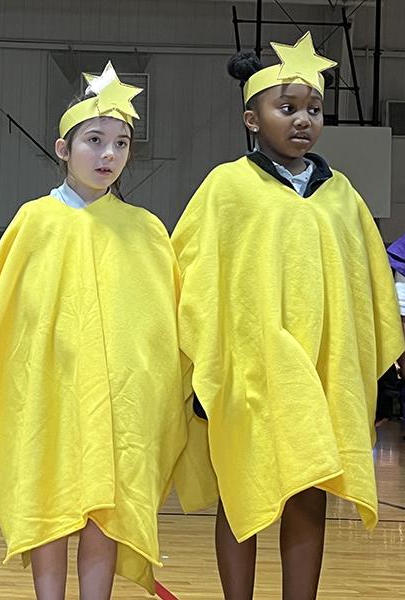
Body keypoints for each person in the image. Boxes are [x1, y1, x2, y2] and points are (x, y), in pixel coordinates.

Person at [172, 32, 404, 599]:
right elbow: (190, 280)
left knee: (308, 491)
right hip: (248, 374)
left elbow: (368, 290)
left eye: (314, 109)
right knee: (242, 491)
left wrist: (370, 376)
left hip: (320, 379)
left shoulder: (342, 195)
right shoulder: (227, 188)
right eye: (287, 108)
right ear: (252, 119)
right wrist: (204, 369)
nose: (304, 120)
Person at [0, 63, 187, 600]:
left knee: (103, 510)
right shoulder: (33, 221)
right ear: (63, 148)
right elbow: (5, 321)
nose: (108, 155)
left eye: (121, 143)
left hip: (116, 405)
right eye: (95, 141)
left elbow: (157, 327)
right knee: (51, 505)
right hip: (49, 397)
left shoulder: (146, 231)